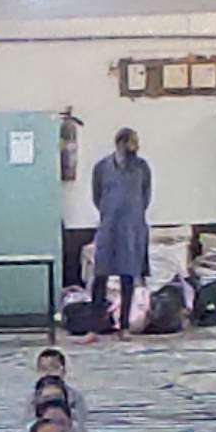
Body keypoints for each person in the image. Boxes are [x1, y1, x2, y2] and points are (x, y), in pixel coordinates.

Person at [88, 127, 153, 333]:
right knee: (100, 275)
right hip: (108, 227)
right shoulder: (101, 168)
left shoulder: (142, 168)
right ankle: (96, 326)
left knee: (128, 276)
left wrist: (131, 215)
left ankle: (123, 326)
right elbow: (97, 196)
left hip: (132, 229)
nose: (134, 150)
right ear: (119, 144)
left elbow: (145, 197)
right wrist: (110, 213)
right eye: (130, 145)